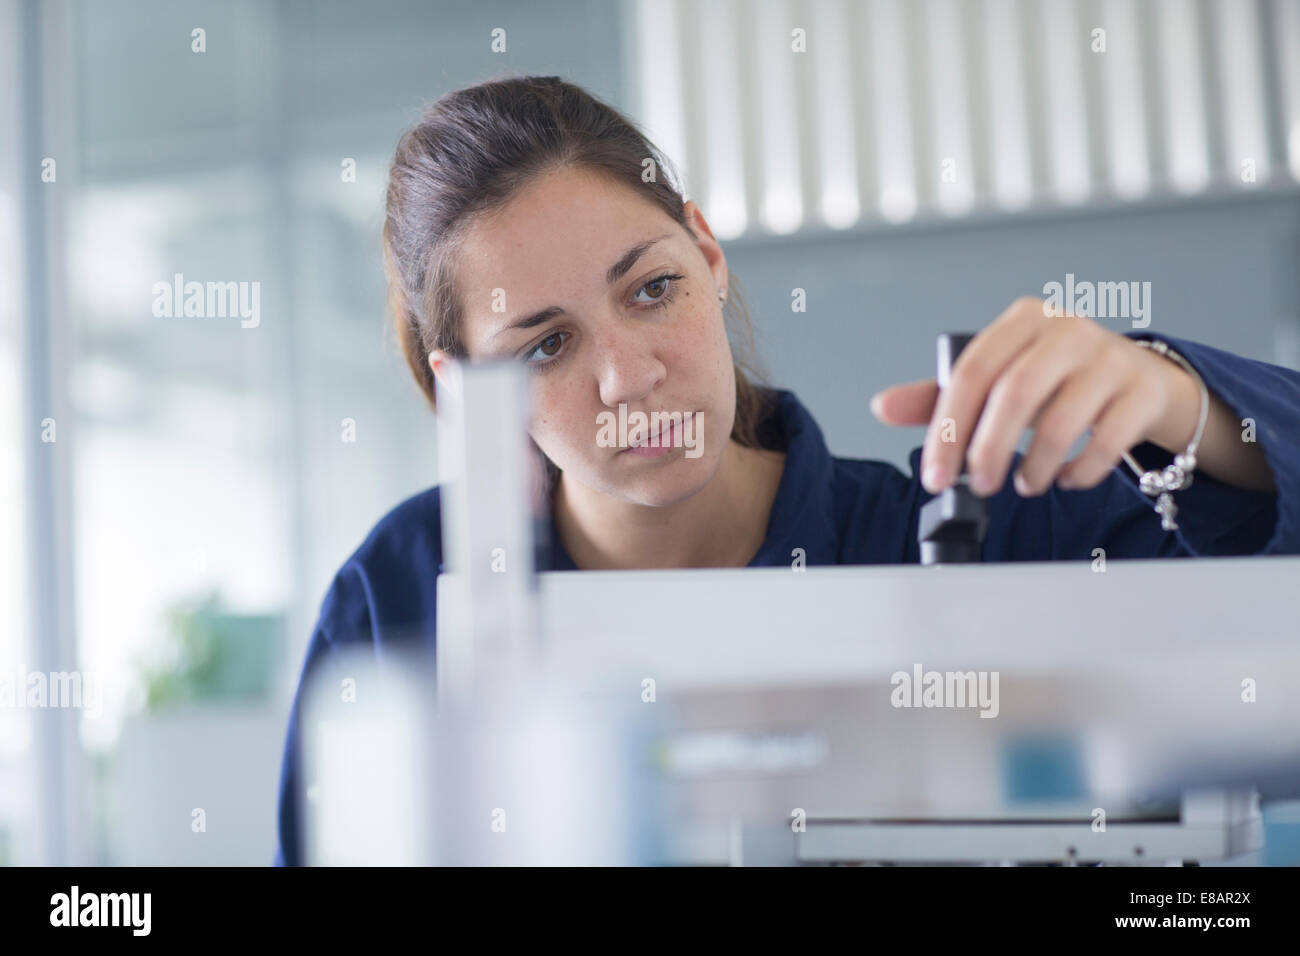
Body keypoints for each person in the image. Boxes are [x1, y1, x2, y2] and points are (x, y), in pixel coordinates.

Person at [274, 75, 1298, 866]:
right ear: (461, 387)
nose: (629, 375)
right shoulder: (399, 596)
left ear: (709, 254)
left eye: (652, 287)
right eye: (543, 346)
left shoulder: (969, 547)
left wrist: (1181, 403)